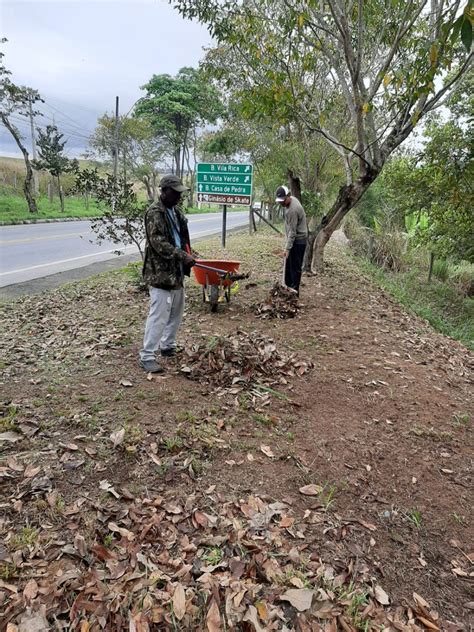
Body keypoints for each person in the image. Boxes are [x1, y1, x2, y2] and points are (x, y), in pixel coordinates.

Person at [139, 175, 195, 373]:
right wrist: (182, 255)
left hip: (177, 271)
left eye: (180, 193)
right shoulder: (155, 213)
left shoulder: (175, 212)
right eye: (175, 193)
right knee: (159, 314)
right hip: (160, 273)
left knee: (177, 310)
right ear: (163, 191)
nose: (179, 196)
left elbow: (181, 239)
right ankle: (147, 355)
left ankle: (167, 345)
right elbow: (158, 242)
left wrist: (190, 254)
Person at [275, 185, 308, 295]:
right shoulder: (292, 200)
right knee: (289, 267)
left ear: (288, 196)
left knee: (295, 268)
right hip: (294, 239)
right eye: (280, 201)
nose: (281, 203)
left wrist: (287, 248)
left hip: (298, 241)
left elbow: (292, 232)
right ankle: (287, 289)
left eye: (283, 200)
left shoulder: (292, 210)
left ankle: (294, 293)